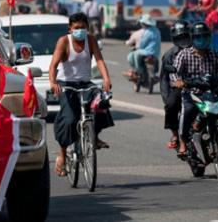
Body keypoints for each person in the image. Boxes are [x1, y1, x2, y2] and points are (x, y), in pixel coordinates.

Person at [48, 12, 113, 176]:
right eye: (76, 28)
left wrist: (106, 79)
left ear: (87, 28)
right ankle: (62, 155)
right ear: (70, 29)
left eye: (83, 28)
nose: (80, 31)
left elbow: (99, 60)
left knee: (101, 102)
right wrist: (53, 82)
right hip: (66, 84)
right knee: (69, 119)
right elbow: (53, 65)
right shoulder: (64, 41)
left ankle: (94, 135)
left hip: (85, 83)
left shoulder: (90, 40)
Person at [170, 22, 218, 159]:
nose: (202, 40)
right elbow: (174, 72)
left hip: (214, 92)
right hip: (192, 93)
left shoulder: (214, 54)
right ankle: (183, 143)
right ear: (192, 38)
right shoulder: (184, 54)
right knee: (187, 112)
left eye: (205, 37)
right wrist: (178, 81)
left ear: (209, 38)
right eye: (198, 37)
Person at [160, 21, 191, 151]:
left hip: (200, 87)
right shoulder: (169, 55)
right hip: (179, 88)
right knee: (171, 105)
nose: (183, 41)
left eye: (185, 37)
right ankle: (175, 134)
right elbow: (164, 79)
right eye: (180, 38)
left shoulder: (200, 50)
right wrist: (167, 97)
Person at [123, 15, 161, 80]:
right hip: (155, 53)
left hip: (145, 52)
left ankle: (137, 71)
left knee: (131, 55)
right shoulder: (157, 31)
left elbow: (141, 44)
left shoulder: (144, 32)